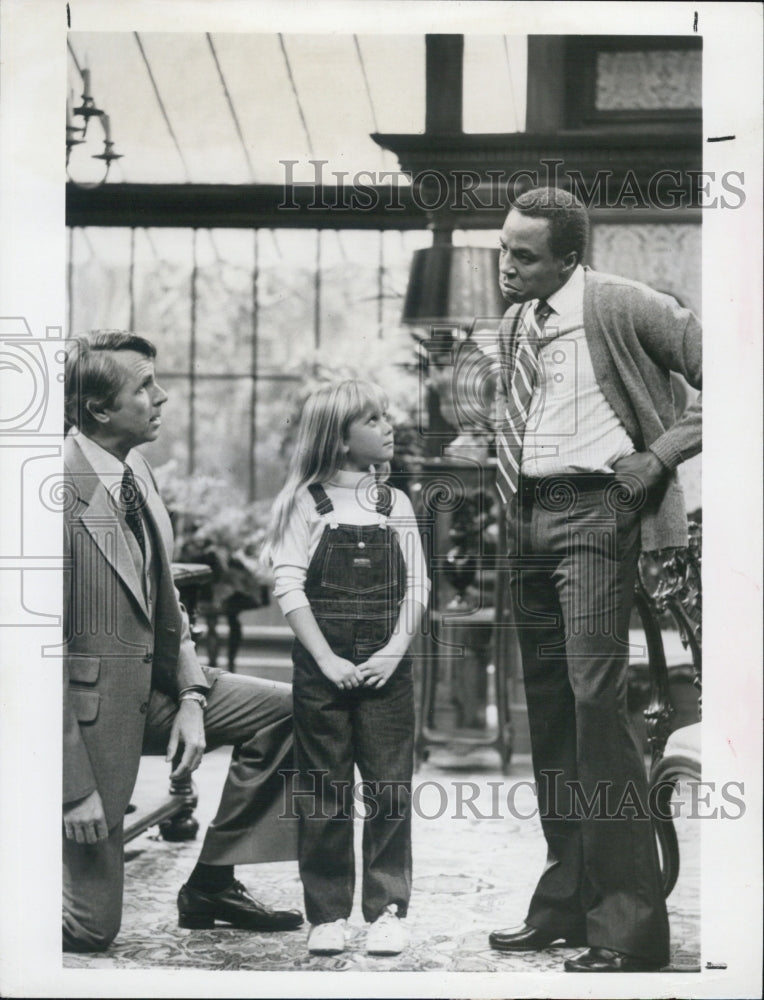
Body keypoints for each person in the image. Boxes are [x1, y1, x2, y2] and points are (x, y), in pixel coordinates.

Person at [486, 188, 701, 972]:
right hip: (526, 515)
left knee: (596, 706)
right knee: (549, 708)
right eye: (504, 248)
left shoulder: (623, 304)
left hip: (596, 512)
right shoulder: (517, 319)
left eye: (525, 255)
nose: (507, 266)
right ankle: (566, 902)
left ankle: (628, 929)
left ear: (570, 258)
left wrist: (657, 458)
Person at [62, 331, 303, 953]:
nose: (161, 395)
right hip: (84, 734)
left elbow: (164, 607)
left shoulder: (134, 469)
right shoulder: (50, 495)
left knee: (292, 710)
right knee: (91, 931)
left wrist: (194, 697)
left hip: (159, 691)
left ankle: (212, 883)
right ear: (98, 410)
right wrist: (73, 789)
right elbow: (26, 675)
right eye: (144, 386)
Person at [268, 380, 429, 957]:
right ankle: (328, 914)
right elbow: (288, 585)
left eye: (386, 416)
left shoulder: (397, 505)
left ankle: (387, 910)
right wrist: (326, 659)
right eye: (374, 419)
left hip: (388, 668)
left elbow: (418, 586)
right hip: (322, 670)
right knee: (324, 789)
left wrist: (392, 652)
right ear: (339, 440)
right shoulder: (304, 503)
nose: (389, 426)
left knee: (389, 788)